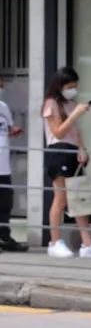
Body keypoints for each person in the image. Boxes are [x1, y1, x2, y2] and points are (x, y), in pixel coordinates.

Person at [42, 67, 91, 260]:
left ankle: (87, 243)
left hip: (73, 152)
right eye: (70, 86)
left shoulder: (70, 103)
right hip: (58, 151)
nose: (73, 89)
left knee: (81, 198)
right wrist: (76, 114)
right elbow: (57, 132)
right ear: (60, 85)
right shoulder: (51, 103)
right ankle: (55, 241)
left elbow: (75, 132)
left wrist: (82, 149)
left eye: (75, 86)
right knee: (61, 199)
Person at [0, 75, 27, 252]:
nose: (2, 86)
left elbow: (7, 128)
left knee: (5, 201)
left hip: (3, 164)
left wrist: (13, 130)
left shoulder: (3, 107)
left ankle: (4, 236)